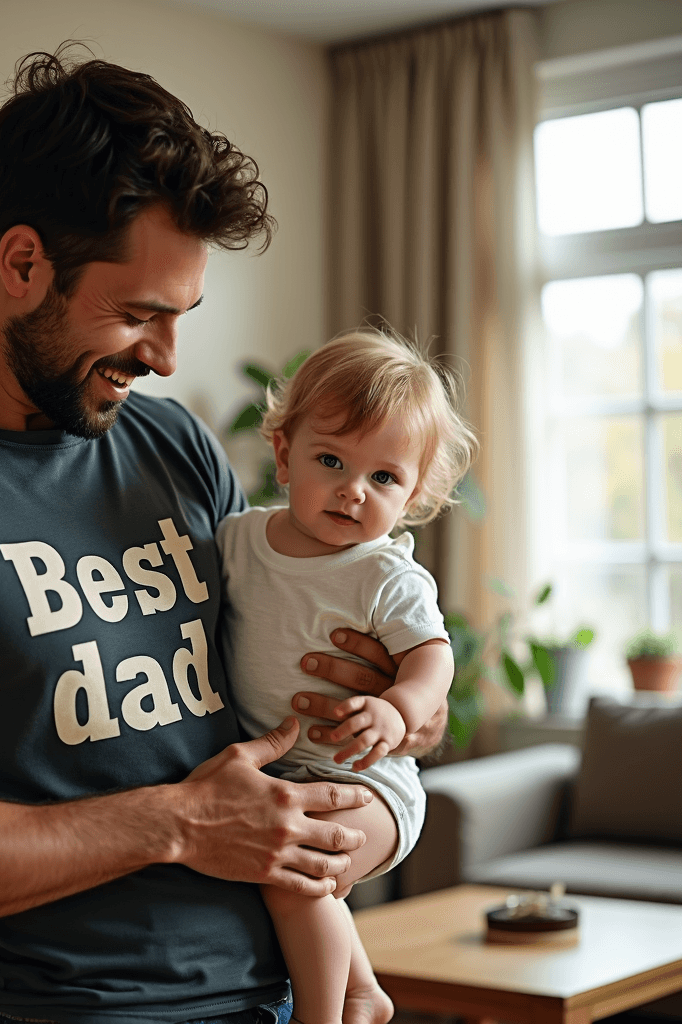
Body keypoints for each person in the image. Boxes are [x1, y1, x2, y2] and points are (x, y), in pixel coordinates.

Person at [0, 50, 448, 1024]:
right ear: (22, 264)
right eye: (137, 314)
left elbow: (302, 697)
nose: (164, 357)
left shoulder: (170, 446)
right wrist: (178, 825)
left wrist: (392, 755)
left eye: (181, 316)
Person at [216, 330, 477, 1024]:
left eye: (384, 478)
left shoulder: (385, 573)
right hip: (286, 776)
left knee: (296, 870)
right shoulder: (238, 541)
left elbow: (434, 655)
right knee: (300, 868)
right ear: (283, 455)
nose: (353, 490)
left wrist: (400, 709)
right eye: (331, 460)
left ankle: (323, 1014)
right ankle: (362, 991)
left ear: (413, 494)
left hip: (371, 783)